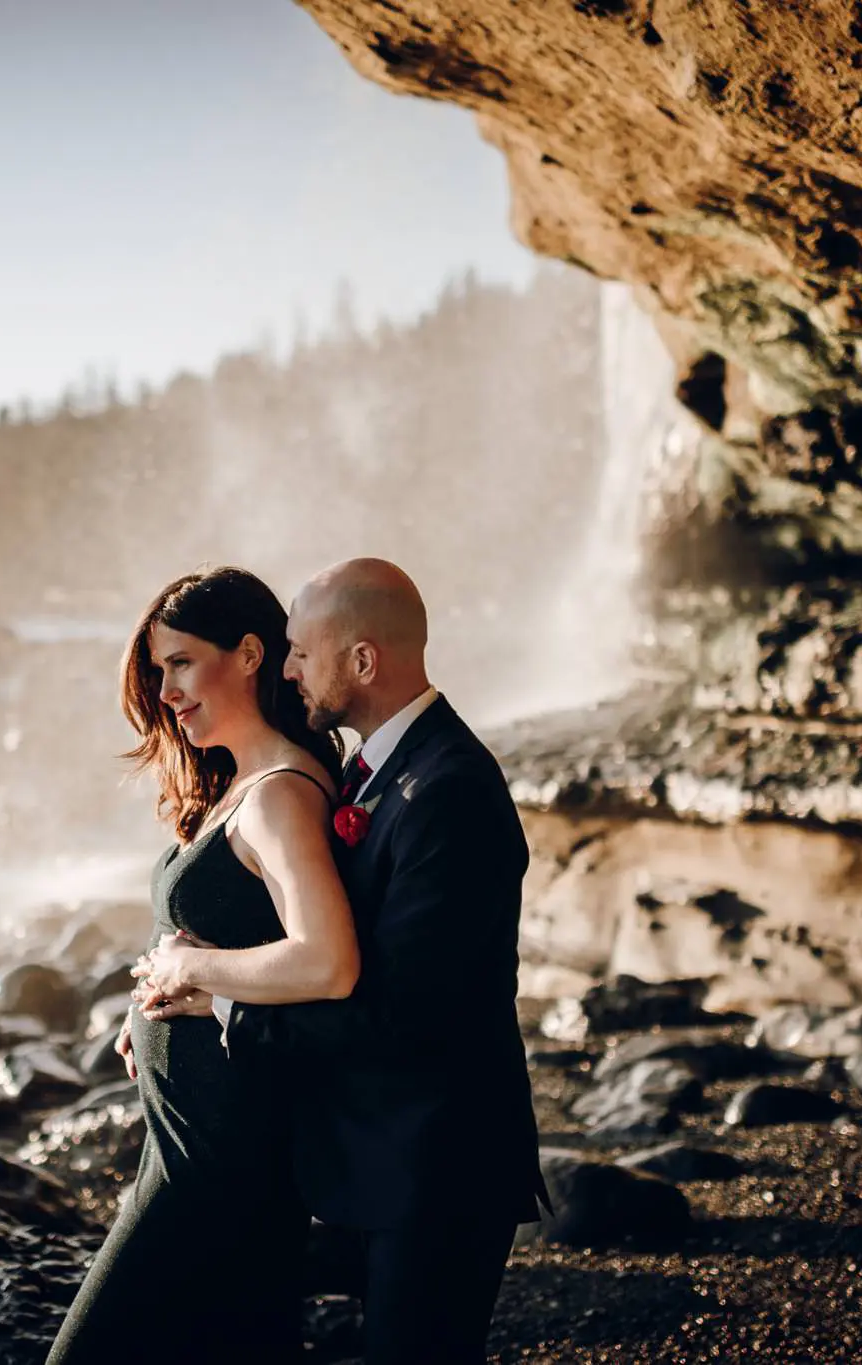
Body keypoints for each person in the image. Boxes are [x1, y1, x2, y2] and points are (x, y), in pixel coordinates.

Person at [138, 557, 546, 1365]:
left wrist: (214, 994)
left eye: (299, 650)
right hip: (370, 1156)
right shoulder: (375, 773)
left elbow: (401, 1015)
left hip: (439, 1168)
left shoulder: (449, 791)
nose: (286, 669)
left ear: (363, 661)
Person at [46, 565, 358, 1364]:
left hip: (222, 1161)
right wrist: (155, 990)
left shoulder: (280, 793)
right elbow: (217, 934)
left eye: (180, 662)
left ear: (250, 654)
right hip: (190, 1142)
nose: (166, 689)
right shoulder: (240, 785)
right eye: (158, 670)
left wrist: (194, 973)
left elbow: (327, 960)